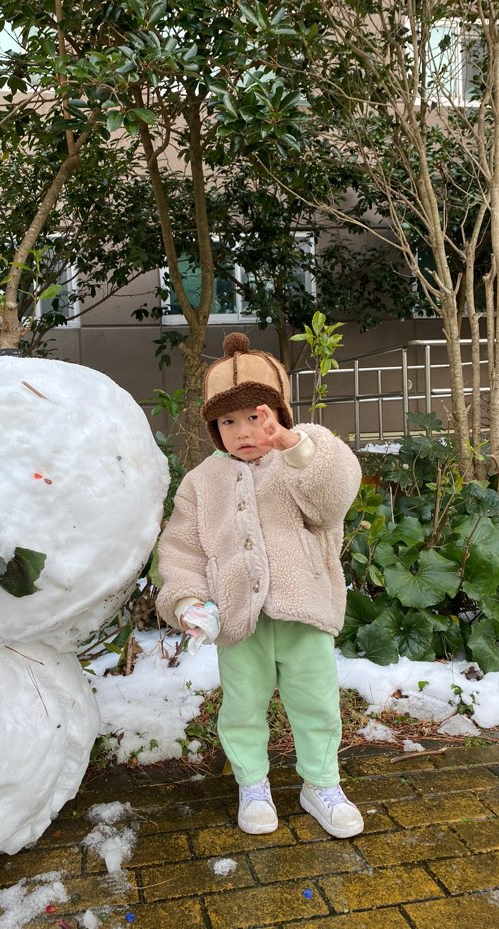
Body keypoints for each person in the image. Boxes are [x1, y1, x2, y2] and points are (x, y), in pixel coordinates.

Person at [156, 332, 363, 838]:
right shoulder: (202, 482)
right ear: (214, 427)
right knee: (243, 704)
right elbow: (183, 548)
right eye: (229, 421)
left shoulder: (305, 457)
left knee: (315, 700)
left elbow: (334, 496)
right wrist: (186, 599)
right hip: (238, 618)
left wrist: (294, 447)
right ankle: (253, 784)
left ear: (279, 413)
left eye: (257, 416)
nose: (245, 431)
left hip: (304, 610)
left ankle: (322, 783)